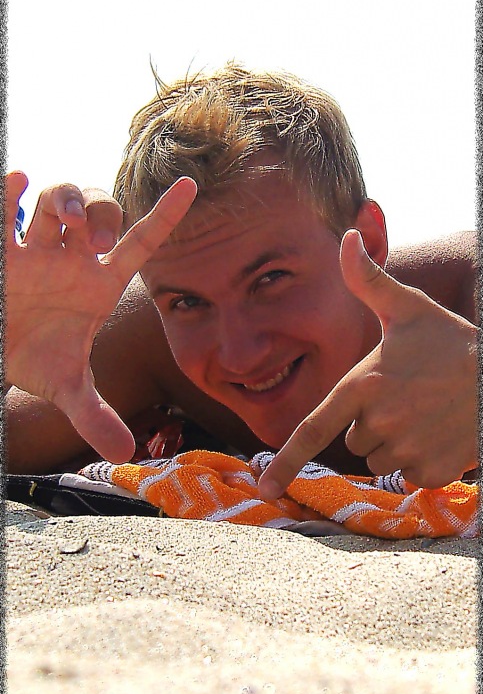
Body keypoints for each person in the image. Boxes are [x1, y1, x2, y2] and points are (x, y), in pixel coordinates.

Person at [5, 63, 478, 498]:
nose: (239, 355)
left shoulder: (465, 298)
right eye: (189, 303)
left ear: (369, 243)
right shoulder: (146, 340)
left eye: (270, 279)